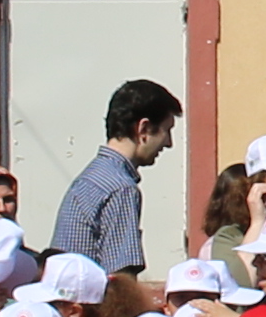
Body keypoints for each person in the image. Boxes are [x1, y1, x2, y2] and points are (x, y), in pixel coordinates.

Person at [49, 81, 181, 291]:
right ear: (144, 129)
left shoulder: (92, 176)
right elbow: (120, 280)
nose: (168, 143)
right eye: (166, 131)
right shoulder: (121, 187)